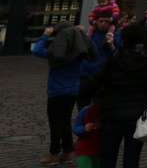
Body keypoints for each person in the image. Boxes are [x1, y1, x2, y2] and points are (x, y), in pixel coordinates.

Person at [78, 23, 147, 168]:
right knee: (132, 157)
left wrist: (89, 106)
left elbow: (90, 86)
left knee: (108, 157)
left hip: (111, 114)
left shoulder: (114, 58)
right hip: (139, 116)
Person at [33, 22, 95, 165]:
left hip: (56, 92)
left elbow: (37, 50)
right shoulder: (79, 53)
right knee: (66, 121)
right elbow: (92, 50)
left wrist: (45, 35)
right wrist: (83, 34)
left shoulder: (56, 53)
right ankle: (66, 152)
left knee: (55, 123)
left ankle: (54, 154)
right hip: (72, 91)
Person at [81, 16, 121, 82]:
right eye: (101, 21)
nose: (103, 24)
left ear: (110, 23)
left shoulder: (115, 35)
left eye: (106, 21)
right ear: (96, 22)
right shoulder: (90, 34)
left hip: (101, 74)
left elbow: (118, 55)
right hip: (84, 71)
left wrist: (111, 44)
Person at [72, 98, 101, 168]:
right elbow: (75, 128)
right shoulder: (86, 110)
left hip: (99, 149)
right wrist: (84, 128)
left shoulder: (106, 111)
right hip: (84, 149)